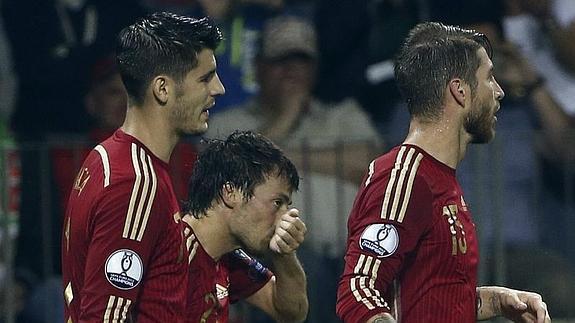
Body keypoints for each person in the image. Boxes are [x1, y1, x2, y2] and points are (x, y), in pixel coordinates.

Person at [336, 22, 551, 323]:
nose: (499, 92)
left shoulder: (439, 179)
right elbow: (359, 290)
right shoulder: (405, 178)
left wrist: (496, 301)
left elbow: (428, 298)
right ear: (460, 91)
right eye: (489, 78)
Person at [61, 12, 225, 322]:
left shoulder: (106, 156)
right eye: (205, 77)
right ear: (162, 89)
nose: (218, 89)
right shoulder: (135, 183)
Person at [181, 130, 308, 322]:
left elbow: (292, 312)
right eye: (277, 203)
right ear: (231, 193)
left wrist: (284, 255)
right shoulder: (173, 254)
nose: (285, 218)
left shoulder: (229, 258)